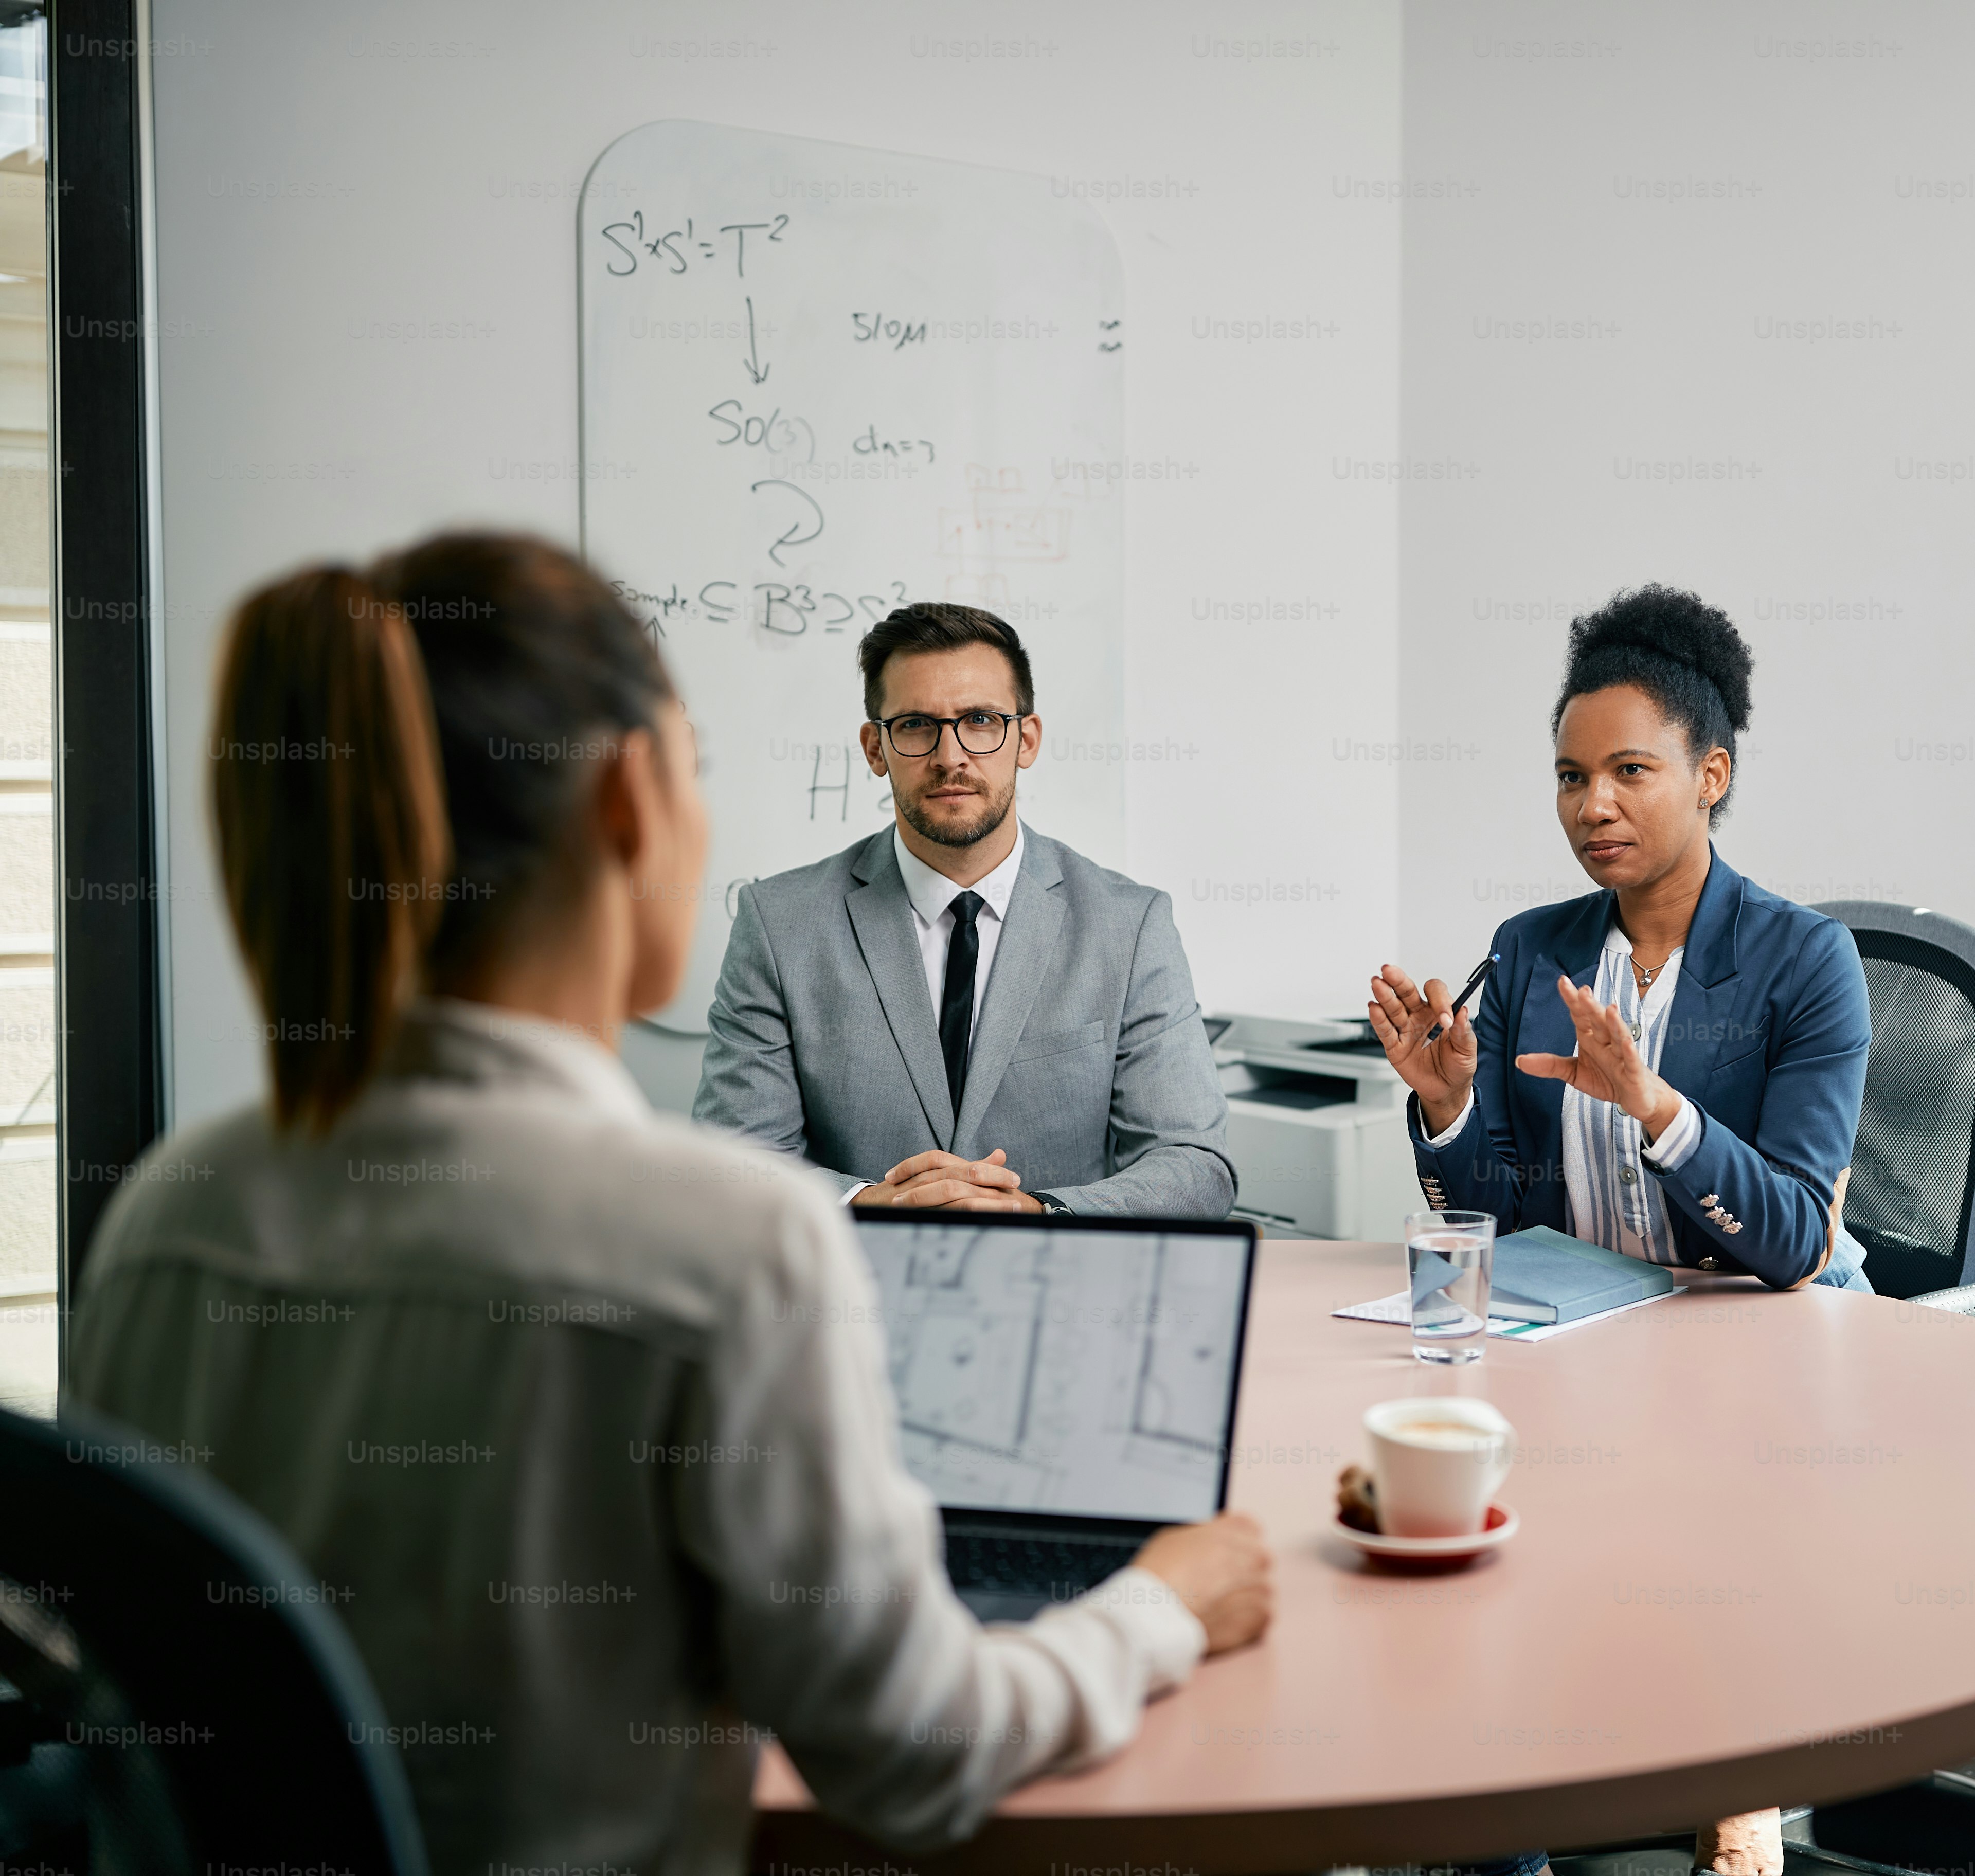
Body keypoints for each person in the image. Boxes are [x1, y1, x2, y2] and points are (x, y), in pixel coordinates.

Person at [66, 535, 1272, 1873]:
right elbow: (915, 1755)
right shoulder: (726, 1253)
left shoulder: (162, 1222)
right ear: (635, 801)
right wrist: (1166, 1606)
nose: (951, 751)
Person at [1366, 585, 1874, 1876]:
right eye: (1570, 776)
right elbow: (1498, 1215)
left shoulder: (1803, 963)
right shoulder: (1530, 949)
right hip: (1586, 1338)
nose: (1592, 805)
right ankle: (1501, 1794)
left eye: (1629, 772)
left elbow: (1794, 1242)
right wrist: (1447, 1102)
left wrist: (1655, 1108)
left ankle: (1729, 1763)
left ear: (1710, 775)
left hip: (1759, 1351)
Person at [694, 602, 1234, 1218]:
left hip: (1059, 1291)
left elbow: (1195, 1166)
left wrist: (1038, 1215)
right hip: (851, 1295)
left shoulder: (1130, 926)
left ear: (1025, 740)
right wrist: (870, 1203)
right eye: (918, 725)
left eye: (980, 720)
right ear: (876, 748)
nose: (951, 755)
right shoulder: (778, 924)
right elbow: (731, 1160)